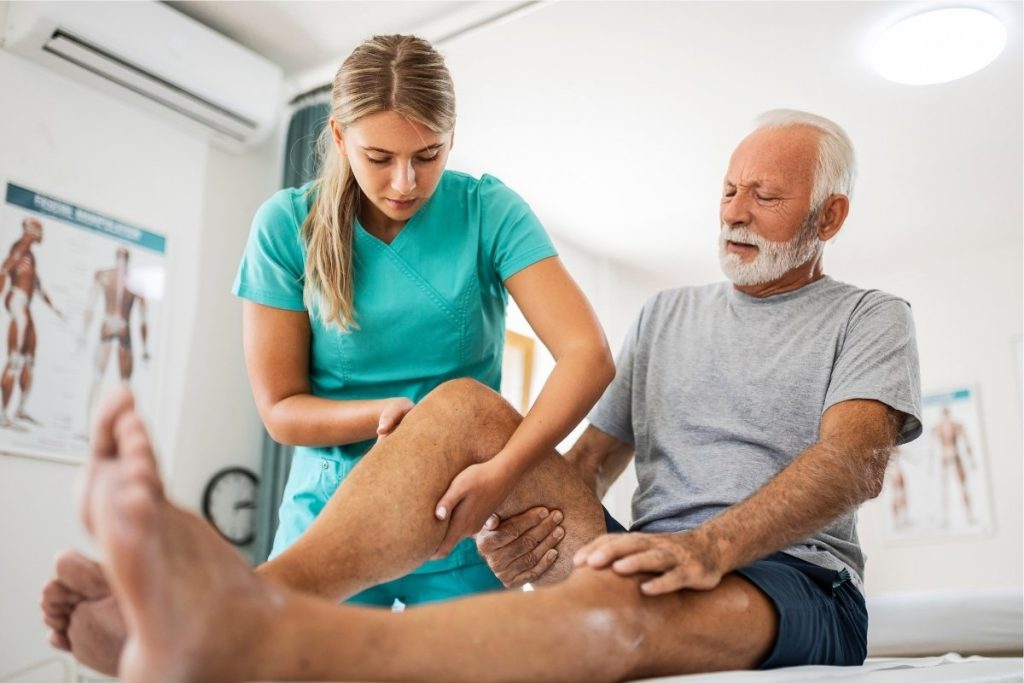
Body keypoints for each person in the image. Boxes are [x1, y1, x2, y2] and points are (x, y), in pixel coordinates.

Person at [44, 109, 923, 681]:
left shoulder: (870, 318)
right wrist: (528, 511)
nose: (734, 211)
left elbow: (852, 463)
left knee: (616, 605)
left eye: (765, 197)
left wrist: (710, 546)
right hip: (650, 553)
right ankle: (245, 597)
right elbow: (588, 462)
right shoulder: (667, 314)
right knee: (465, 405)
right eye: (729, 189)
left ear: (829, 217)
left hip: (790, 579)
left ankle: (272, 653)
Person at [234, 32, 613, 608]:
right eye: (379, 159)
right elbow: (281, 410)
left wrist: (504, 475)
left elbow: (588, 357)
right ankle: (198, 616)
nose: (405, 183)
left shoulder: (489, 213)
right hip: (332, 510)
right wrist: (386, 417)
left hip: (463, 508)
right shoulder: (286, 227)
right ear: (340, 136)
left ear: (452, 137)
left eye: (428, 155)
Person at [0, 217, 63, 428]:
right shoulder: (20, 248)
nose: (40, 234)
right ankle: (2, 414)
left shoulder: (30, 255)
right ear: (29, 230)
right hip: (17, 300)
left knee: (30, 357)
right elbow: (4, 270)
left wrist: (53, 307)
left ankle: (19, 409)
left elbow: (36, 284)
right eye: (37, 229)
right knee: (15, 359)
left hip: (24, 303)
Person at [80, 246, 150, 431]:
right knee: (98, 378)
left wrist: (144, 348)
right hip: (109, 327)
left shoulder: (135, 283)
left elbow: (144, 319)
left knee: (124, 385)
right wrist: (84, 333)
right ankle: (88, 427)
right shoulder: (105, 276)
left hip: (122, 333)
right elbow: (90, 306)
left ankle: (118, 434)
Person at [931, 406, 976, 526]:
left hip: (954, 457)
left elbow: (967, 443)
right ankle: (945, 519)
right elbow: (932, 449)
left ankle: (969, 516)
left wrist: (972, 460)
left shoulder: (955, 425)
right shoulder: (938, 427)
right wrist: (931, 465)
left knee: (962, 487)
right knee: (945, 489)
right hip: (946, 458)